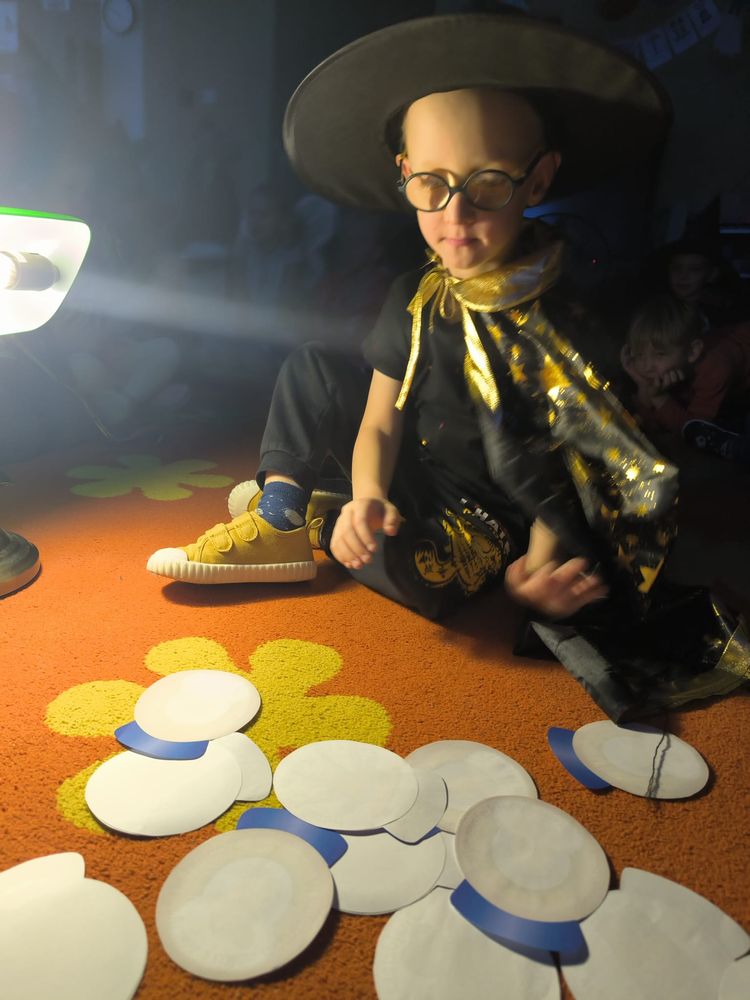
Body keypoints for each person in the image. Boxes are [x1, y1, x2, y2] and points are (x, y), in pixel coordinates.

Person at [147, 13, 748, 720]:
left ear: (538, 179)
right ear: (405, 174)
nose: (455, 214)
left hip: (486, 510)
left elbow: (574, 467)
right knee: (313, 366)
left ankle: (321, 515)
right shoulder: (416, 293)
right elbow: (380, 419)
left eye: (488, 183)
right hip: (413, 461)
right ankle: (283, 511)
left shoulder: (567, 317)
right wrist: (371, 494)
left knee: (424, 580)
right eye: (431, 183)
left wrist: (539, 567)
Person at [621, 293, 750, 463]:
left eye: (659, 354)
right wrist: (643, 384)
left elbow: (696, 431)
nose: (647, 366)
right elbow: (646, 425)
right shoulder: (666, 366)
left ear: (693, 352)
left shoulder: (715, 367)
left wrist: (659, 398)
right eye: (639, 354)